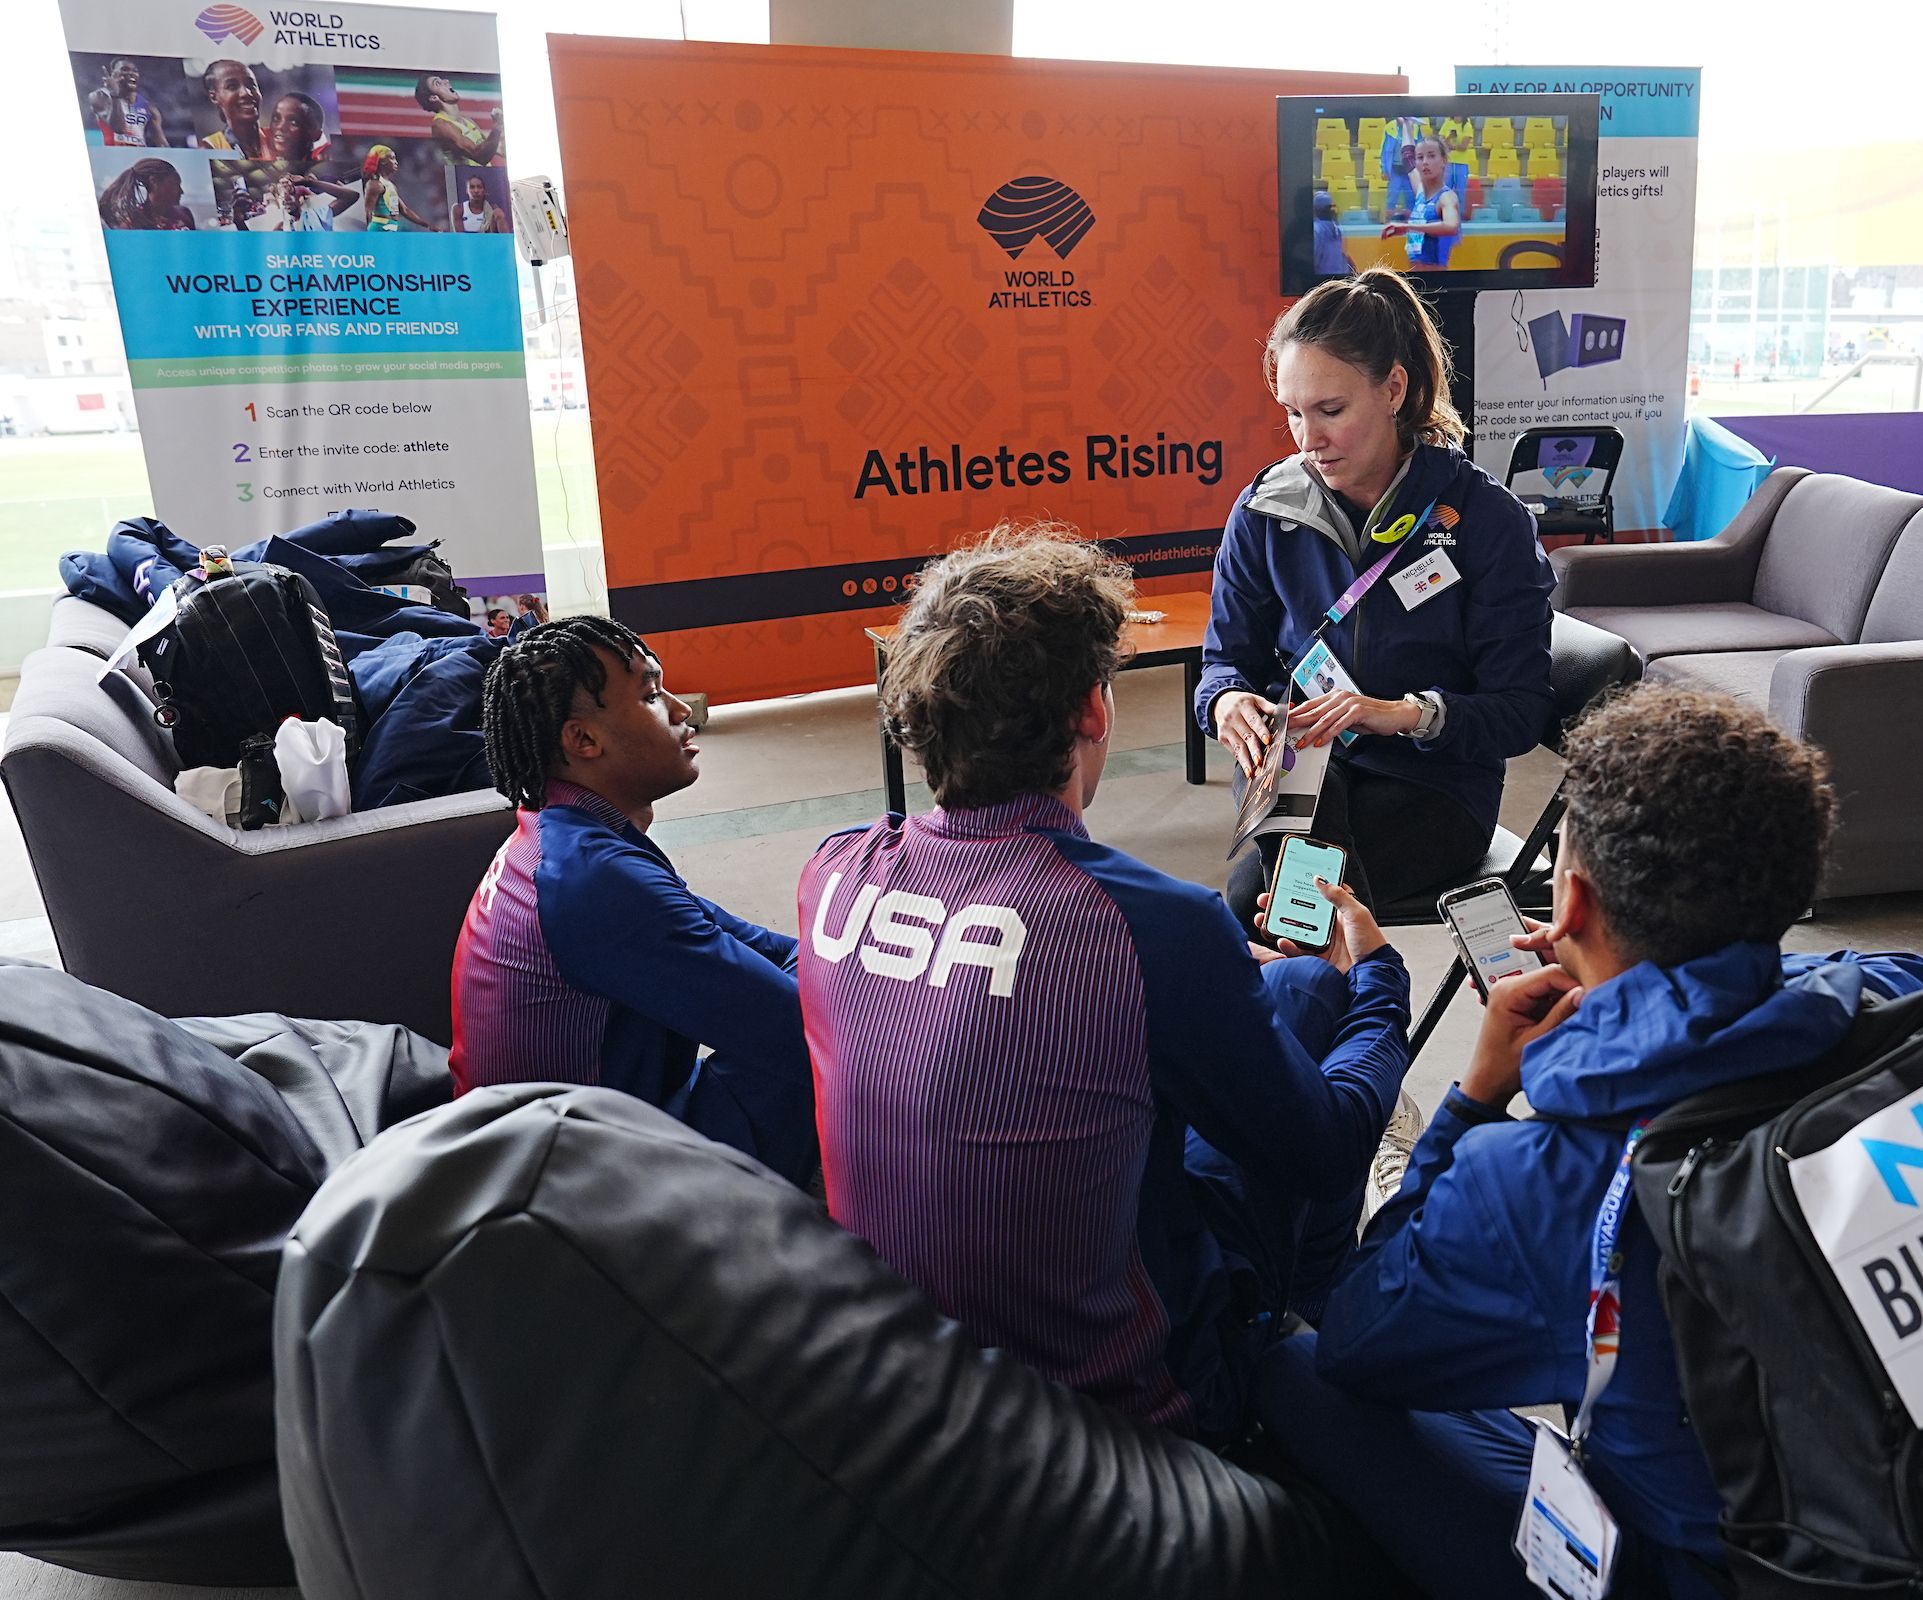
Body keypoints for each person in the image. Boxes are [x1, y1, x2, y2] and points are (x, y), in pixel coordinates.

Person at [1253, 684, 1923, 1600]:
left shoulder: (1545, 1178)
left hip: (1716, 1576)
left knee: (1293, 1359)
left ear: (1570, 898)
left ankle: (1404, 1169)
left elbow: (1360, 1338)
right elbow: (1797, 983)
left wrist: (1473, 1100)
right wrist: (1630, 987)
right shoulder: (1905, 1000)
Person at [797, 528, 1410, 1444]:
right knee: (1320, 1012)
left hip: (900, 1360)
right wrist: (1380, 983)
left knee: (1278, 1000)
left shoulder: (832, 871)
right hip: (1121, 1396)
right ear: (1094, 708)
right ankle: (1291, 1356)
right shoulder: (1149, 921)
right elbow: (1320, 1150)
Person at [1202, 266, 1556, 921]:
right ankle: (1358, 1008)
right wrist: (1227, 703)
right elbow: (1225, 661)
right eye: (1292, 414)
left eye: (1331, 411)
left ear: (1394, 389)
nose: (1309, 441)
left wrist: (1398, 713)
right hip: (1299, 769)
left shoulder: (1486, 520)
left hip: (1436, 786)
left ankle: (1332, 1002)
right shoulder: (1263, 510)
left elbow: (1519, 712)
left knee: (1277, 903)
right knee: (1291, 867)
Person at [451, 616, 817, 1185]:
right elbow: (797, 1024)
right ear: (583, 740)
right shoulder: (593, 880)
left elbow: (755, 945)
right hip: (576, 1189)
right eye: (650, 696)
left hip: (550, 1148)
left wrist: (836, 971)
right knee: (825, 1048)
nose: (680, 710)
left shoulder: (563, 836)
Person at [1380, 135, 1463, 270]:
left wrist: (1409, 227)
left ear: (1443, 161)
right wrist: (1407, 124)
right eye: (1420, 157)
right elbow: (1408, 158)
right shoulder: (1421, 194)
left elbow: (1451, 226)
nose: (1425, 162)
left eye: (1431, 156)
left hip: (1436, 282)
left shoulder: (1446, 197)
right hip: (1416, 279)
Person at [418, 73, 504, 166]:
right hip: (467, 179)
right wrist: (497, 126)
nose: (446, 81)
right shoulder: (441, 126)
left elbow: (493, 147)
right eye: (437, 83)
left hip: (485, 177)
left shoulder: (466, 120)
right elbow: (480, 156)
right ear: (434, 97)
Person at [95, 159, 195, 231]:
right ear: (154, 182)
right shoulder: (132, 225)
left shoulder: (184, 214)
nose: (181, 192)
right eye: (175, 185)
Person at [91, 59, 166, 148]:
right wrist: (115, 94)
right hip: (113, 157)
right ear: (113, 75)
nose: (131, 73)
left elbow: (162, 144)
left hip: (139, 158)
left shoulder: (149, 108)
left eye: (135, 71)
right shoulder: (100, 97)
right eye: (125, 69)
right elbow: (119, 128)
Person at [197, 60, 265, 157]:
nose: (246, 93)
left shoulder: (280, 140)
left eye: (251, 85)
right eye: (232, 86)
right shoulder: (209, 148)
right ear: (214, 97)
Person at [360, 146, 435, 232]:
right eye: (392, 159)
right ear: (383, 161)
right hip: (379, 229)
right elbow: (368, 211)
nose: (396, 163)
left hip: (391, 228)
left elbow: (405, 210)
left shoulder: (390, 186)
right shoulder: (374, 185)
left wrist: (427, 225)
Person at [262, 91, 331, 168]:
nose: (280, 127)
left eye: (294, 122)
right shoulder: (258, 146)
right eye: (276, 119)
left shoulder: (323, 161)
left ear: (316, 135)